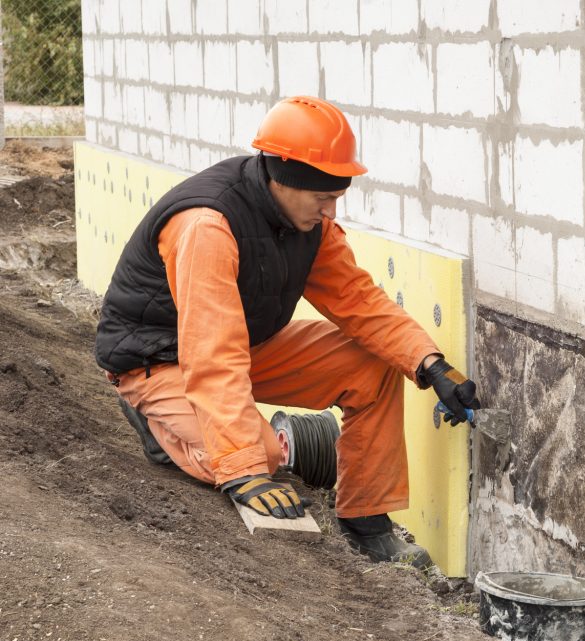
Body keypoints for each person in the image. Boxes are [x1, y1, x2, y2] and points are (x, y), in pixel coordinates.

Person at [95, 96, 479, 570]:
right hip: (158, 358)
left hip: (243, 344)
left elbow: (357, 300)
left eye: (336, 197)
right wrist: (246, 472)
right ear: (287, 177)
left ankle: (366, 522)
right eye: (323, 198)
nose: (331, 210)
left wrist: (429, 363)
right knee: (256, 457)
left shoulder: (307, 221)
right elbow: (211, 353)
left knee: (373, 366)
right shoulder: (207, 225)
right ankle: (159, 424)